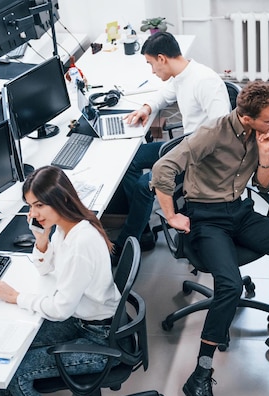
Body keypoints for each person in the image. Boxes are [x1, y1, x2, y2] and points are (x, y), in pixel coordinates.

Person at [151, 80, 269, 396]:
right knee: (230, 285)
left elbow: (265, 184)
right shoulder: (212, 133)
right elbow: (162, 169)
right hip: (206, 218)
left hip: (239, 211)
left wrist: (265, 155)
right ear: (247, 117)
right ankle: (200, 375)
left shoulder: (258, 136)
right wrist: (171, 215)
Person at [0, 166, 121, 396]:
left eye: (39, 206)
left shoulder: (81, 242)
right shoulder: (66, 227)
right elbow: (46, 270)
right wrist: (42, 237)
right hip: (82, 321)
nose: (32, 213)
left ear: (62, 199)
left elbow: (60, 309)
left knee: (15, 371)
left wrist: (17, 297)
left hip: (98, 337)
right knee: (8, 348)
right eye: (29, 206)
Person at [114, 31, 230, 260]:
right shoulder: (180, 75)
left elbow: (222, 131)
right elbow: (163, 96)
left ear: (162, 58)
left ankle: (125, 245)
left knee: (143, 185)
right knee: (130, 161)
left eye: (151, 64)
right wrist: (146, 108)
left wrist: (184, 155)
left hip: (200, 158)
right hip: (183, 146)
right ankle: (143, 230)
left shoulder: (205, 81)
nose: (152, 71)